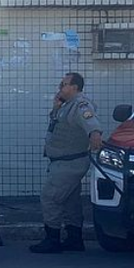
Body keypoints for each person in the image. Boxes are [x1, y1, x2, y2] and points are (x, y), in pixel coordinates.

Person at [30, 73, 103, 254]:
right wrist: (55, 108)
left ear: (75, 87)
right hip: (65, 162)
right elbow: (56, 125)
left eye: (64, 85)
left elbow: (91, 122)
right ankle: (74, 238)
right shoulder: (66, 106)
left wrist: (95, 135)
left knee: (50, 198)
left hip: (69, 163)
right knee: (71, 201)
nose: (60, 88)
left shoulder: (80, 105)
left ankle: (52, 239)